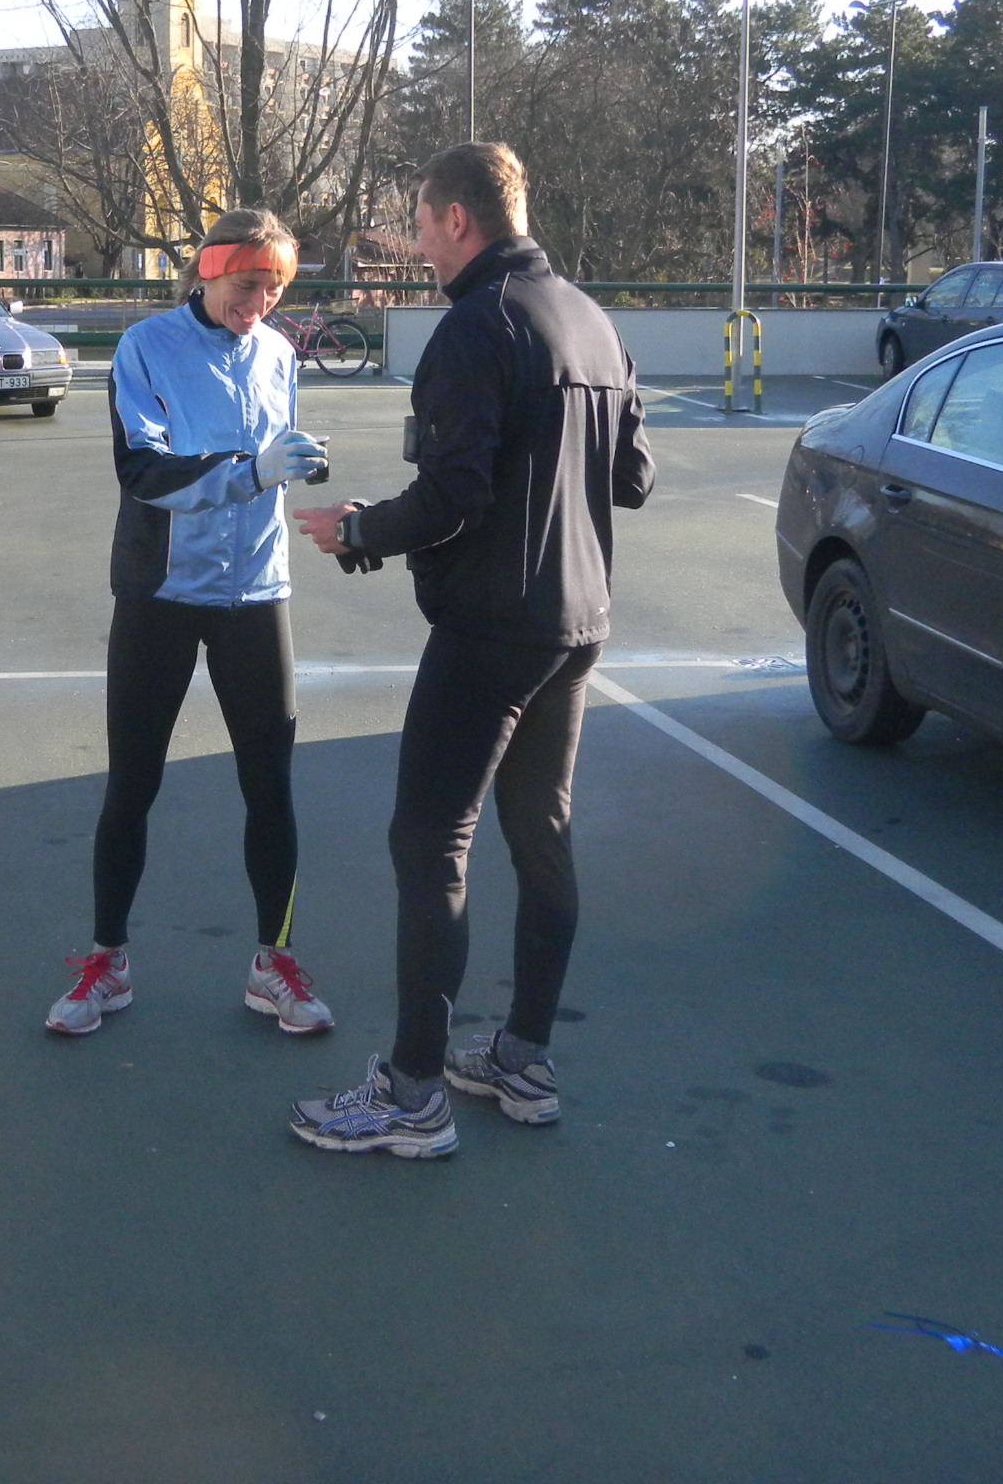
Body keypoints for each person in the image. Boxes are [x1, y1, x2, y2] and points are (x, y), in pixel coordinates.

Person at [288, 142, 653, 1158]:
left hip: (493, 630)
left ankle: (413, 1095)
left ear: (458, 219)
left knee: (429, 842)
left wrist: (361, 530)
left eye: (420, 225)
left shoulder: (476, 326)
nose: (418, 245)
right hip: (577, 625)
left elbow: (456, 496)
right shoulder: (591, 318)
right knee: (541, 835)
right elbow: (633, 479)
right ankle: (523, 1058)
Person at [43, 207, 336, 1039]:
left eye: (274, 288)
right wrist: (252, 471)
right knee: (131, 785)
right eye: (248, 284)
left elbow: (271, 458)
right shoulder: (146, 346)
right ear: (208, 271)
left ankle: (274, 963)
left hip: (256, 592)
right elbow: (143, 467)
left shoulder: (278, 353)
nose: (260, 303)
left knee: (270, 787)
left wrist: (296, 464)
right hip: (162, 592)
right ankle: (107, 961)